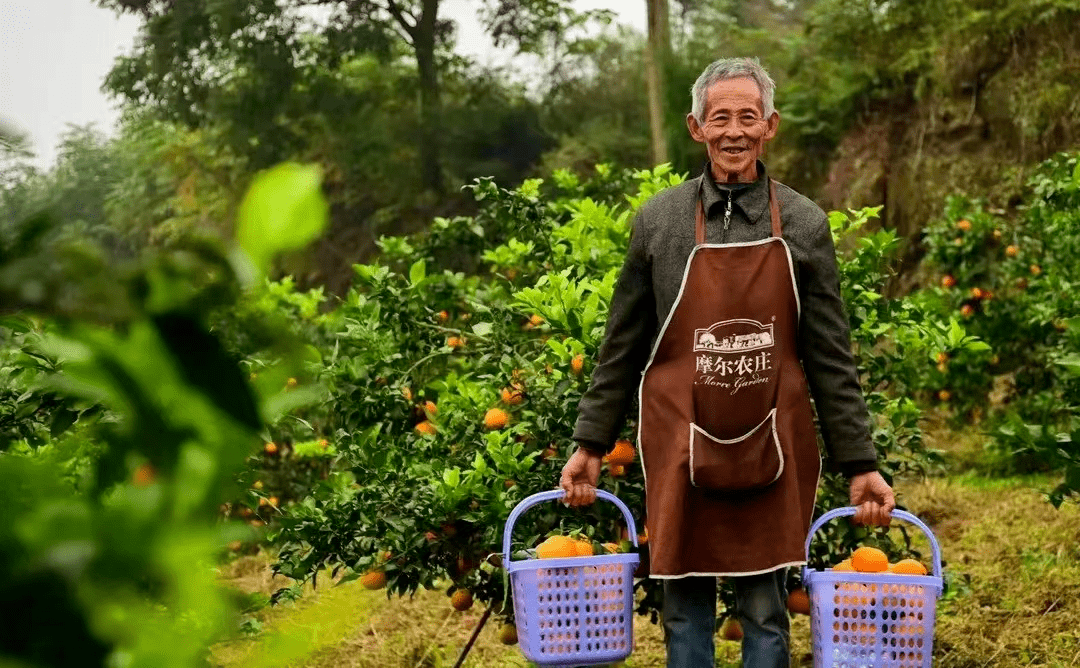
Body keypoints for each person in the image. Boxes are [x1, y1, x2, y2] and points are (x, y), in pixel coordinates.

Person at [558, 57, 896, 668]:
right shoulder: (659, 222)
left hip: (770, 436)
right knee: (683, 601)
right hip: (679, 439)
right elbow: (623, 346)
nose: (734, 130)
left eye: (747, 116)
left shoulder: (803, 223)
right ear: (696, 128)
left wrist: (861, 461)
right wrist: (590, 442)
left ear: (770, 125)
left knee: (765, 607)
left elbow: (828, 353)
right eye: (720, 118)